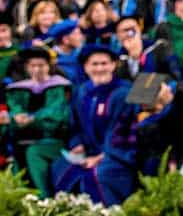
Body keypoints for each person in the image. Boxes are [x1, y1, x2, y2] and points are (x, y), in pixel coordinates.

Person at [51, 44, 135, 205]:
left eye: (104, 63)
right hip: (89, 151)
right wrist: (78, 144)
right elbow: (74, 124)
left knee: (100, 173)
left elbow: (123, 131)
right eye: (94, 64)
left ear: (113, 65)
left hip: (118, 155)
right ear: (86, 67)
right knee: (60, 168)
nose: (100, 68)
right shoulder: (82, 92)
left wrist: (101, 157)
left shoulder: (123, 93)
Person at [2, 46, 72, 197]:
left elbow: (57, 112)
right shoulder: (17, 89)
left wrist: (32, 119)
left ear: (49, 66)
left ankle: (44, 198)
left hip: (52, 139)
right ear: (27, 67)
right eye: (32, 66)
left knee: (33, 152)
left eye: (41, 65)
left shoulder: (60, 86)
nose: (37, 69)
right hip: (20, 139)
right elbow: (14, 109)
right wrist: (16, 117)